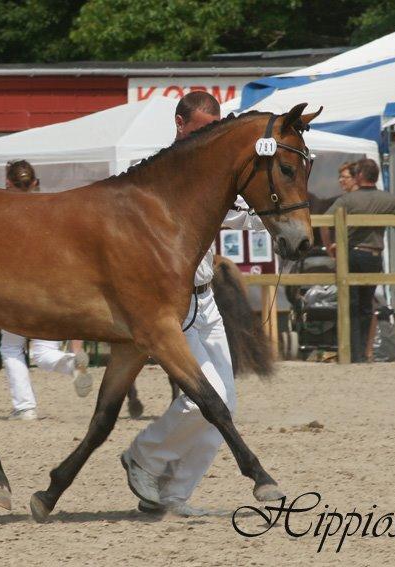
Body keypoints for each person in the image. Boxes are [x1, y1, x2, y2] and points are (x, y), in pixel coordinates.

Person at [120, 91, 266, 517]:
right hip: (172, 304)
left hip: (208, 301)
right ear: (180, 124)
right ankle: (143, 456)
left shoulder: (216, 179)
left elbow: (246, 211)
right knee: (203, 398)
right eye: (202, 130)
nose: (210, 140)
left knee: (228, 403)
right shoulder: (148, 173)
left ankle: (176, 493)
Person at [0, 160, 93, 421]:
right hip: (50, 289)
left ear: (8, 183)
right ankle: (72, 363)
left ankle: (25, 406)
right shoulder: (53, 208)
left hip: (14, 290)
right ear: (35, 183)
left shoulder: (2, 213)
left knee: (11, 348)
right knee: (42, 353)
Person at [321, 158, 395, 362]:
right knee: (367, 306)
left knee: (350, 303)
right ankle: (362, 354)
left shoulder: (347, 200)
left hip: (351, 255)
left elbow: (325, 220)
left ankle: (350, 354)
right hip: (374, 256)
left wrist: (331, 246)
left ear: (359, 176)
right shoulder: (388, 200)